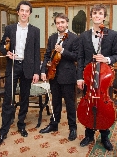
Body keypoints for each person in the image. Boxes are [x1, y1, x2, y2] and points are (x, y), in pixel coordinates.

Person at [0, 0, 40, 145]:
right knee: (8, 97)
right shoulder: (9, 28)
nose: (24, 13)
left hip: (28, 67)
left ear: (30, 14)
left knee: (25, 98)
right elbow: (2, 46)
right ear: (18, 12)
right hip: (13, 66)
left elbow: (36, 53)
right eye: (22, 10)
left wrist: (36, 72)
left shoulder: (35, 31)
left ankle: (21, 124)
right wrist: (6, 52)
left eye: (27, 11)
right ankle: (4, 130)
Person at [77, 4, 117, 151]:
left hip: (104, 79)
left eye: (100, 13)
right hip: (88, 77)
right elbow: (81, 58)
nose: (97, 16)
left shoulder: (113, 35)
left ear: (104, 17)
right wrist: (80, 77)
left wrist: (106, 59)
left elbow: (116, 55)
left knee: (103, 107)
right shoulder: (83, 36)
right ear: (91, 16)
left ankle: (104, 136)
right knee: (88, 106)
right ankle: (88, 134)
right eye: (94, 13)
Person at [39, 13, 78, 141]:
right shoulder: (52, 38)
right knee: (55, 102)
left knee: (70, 103)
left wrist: (62, 51)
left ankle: (72, 128)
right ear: (55, 24)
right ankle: (54, 124)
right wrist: (43, 70)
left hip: (68, 75)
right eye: (57, 23)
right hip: (53, 75)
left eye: (62, 22)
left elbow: (76, 57)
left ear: (67, 23)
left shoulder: (74, 38)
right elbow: (47, 56)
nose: (60, 25)